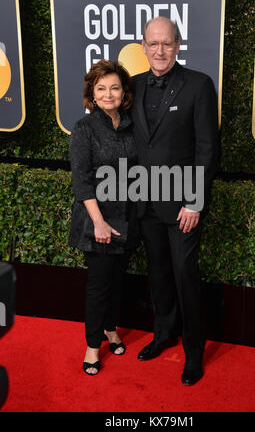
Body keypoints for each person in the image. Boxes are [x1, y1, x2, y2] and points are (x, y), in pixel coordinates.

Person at [131, 17, 219, 385]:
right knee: (160, 273)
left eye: (167, 43)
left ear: (178, 45)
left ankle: (194, 351)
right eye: (153, 43)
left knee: (185, 275)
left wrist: (195, 201)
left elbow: (207, 148)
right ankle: (164, 333)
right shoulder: (132, 86)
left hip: (183, 203)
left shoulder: (198, 84)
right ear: (144, 45)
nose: (160, 50)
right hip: (145, 201)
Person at [68, 60, 139, 376]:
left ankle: (111, 328)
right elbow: (81, 180)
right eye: (101, 88)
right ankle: (93, 346)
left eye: (114, 87)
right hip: (97, 219)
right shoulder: (84, 129)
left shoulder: (131, 124)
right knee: (98, 285)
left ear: (123, 92)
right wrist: (97, 221)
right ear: (91, 94)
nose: (108, 94)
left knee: (117, 282)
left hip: (127, 217)